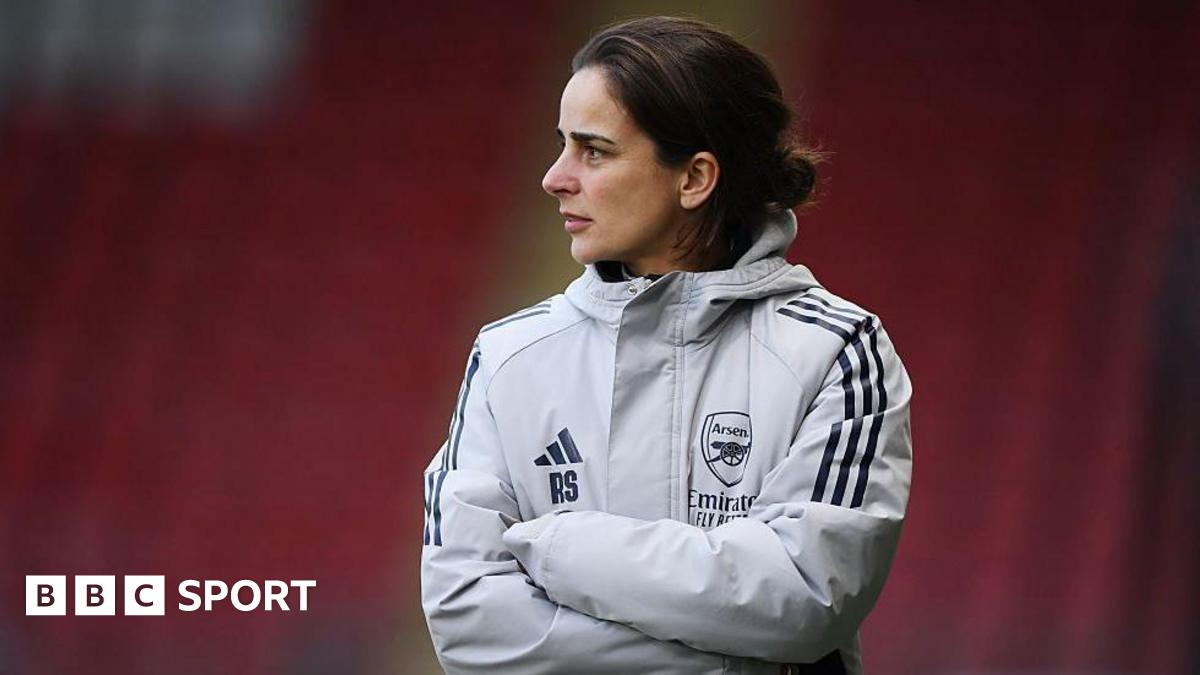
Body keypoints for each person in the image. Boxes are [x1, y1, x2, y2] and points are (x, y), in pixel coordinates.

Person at [420, 16, 912, 675]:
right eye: (562, 145)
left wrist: (563, 547)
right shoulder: (508, 356)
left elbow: (803, 598)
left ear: (695, 178)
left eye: (593, 151)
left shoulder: (838, 352)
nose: (555, 177)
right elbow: (466, 619)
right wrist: (737, 659)